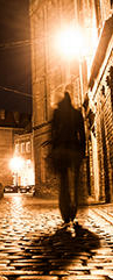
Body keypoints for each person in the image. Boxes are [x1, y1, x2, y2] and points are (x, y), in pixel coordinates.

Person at [50, 91, 86, 233]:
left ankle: (65, 214)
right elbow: (82, 133)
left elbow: (53, 133)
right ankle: (73, 211)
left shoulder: (57, 113)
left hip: (61, 150)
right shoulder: (76, 113)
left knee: (64, 183)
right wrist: (82, 150)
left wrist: (53, 150)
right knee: (75, 183)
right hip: (74, 149)